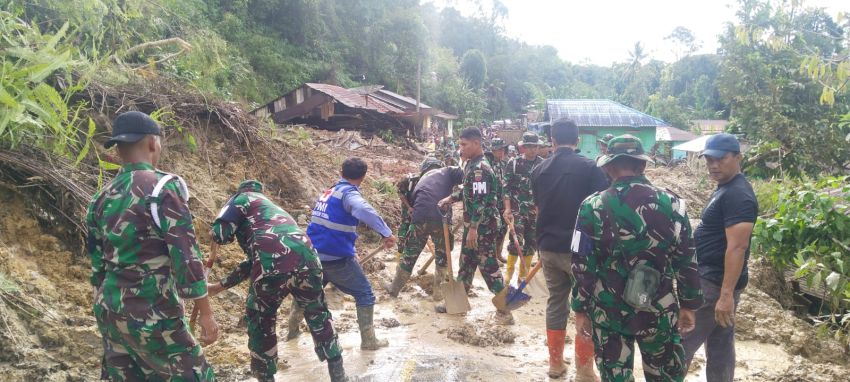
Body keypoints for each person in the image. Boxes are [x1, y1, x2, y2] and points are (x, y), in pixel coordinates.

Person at [86, 111, 218, 381]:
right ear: (152, 143)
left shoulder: (101, 197)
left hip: (110, 310)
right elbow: (187, 259)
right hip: (153, 311)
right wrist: (205, 314)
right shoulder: (162, 189)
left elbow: (98, 268)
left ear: (119, 149)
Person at [571, 135, 703, 382]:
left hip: (608, 309)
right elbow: (687, 259)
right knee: (663, 376)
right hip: (659, 307)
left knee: (615, 376)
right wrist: (689, 304)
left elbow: (581, 263)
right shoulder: (674, 204)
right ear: (642, 165)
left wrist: (580, 308)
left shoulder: (591, 206)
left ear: (609, 168)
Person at [206, 180, 347, 382]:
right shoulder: (272, 209)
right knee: (318, 312)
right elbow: (255, 260)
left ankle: (265, 377)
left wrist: (214, 231)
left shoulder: (239, 199)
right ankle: (338, 373)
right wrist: (219, 287)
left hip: (270, 262)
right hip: (309, 258)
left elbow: (220, 235)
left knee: (261, 320)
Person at [531, 119, 608, 379]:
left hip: (548, 247)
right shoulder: (591, 168)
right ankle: (584, 371)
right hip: (582, 250)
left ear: (552, 141)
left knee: (556, 301)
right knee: (586, 306)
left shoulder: (539, 170)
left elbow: (538, 209)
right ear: (577, 141)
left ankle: (555, 364)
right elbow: (601, 210)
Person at [682, 133, 758, 382]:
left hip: (714, 285)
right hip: (714, 282)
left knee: (681, 343)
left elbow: (738, 247)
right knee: (720, 346)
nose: (713, 165)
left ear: (738, 157)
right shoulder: (726, 188)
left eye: (720, 159)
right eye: (709, 160)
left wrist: (726, 296)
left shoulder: (739, 195)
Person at [303, 157, 397, 350]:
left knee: (308, 294)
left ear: (341, 172)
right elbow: (363, 209)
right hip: (335, 258)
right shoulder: (348, 194)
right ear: (363, 176)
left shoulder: (329, 192)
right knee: (365, 294)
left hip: (312, 255)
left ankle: (292, 333)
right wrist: (386, 233)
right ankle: (369, 341)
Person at [437, 127, 512, 324]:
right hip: (476, 224)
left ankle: (506, 311)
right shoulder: (471, 165)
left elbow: (479, 200)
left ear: (477, 144)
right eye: (460, 144)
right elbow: (468, 191)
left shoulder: (481, 169)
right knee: (466, 264)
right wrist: (450, 198)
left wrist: (473, 229)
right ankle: (457, 304)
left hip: (483, 227)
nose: (460, 149)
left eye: (464, 144)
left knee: (488, 267)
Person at [384, 165, 464, 304]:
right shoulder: (447, 171)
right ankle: (438, 293)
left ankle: (394, 289)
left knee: (410, 254)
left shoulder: (421, 179)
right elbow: (465, 174)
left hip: (420, 217)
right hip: (441, 218)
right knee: (443, 254)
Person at [503, 132, 544, 284]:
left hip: (536, 212)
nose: (532, 150)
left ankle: (522, 276)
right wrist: (507, 209)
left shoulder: (543, 164)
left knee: (531, 243)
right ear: (523, 147)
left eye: (535, 146)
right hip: (517, 211)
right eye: (529, 147)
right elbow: (506, 188)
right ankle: (508, 274)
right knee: (515, 242)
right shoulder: (514, 164)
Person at [395, 158, 444, 260]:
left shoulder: (440, 182)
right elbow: (400, 192)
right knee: (404, 231)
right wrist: (409, 207)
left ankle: (441, 262)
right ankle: (400, 257)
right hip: (410, 205)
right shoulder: (409, 180)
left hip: (424, 210)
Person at [485, 137, 510, 263]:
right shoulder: (487, 164)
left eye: (503, 150)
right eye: (499, 150)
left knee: (503, 229)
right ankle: (492, 257)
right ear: (493, 150)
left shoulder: (504, 164)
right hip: (492, 204)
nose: (501, 152)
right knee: (493, 230)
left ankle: (498, 253)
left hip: (503, 203)